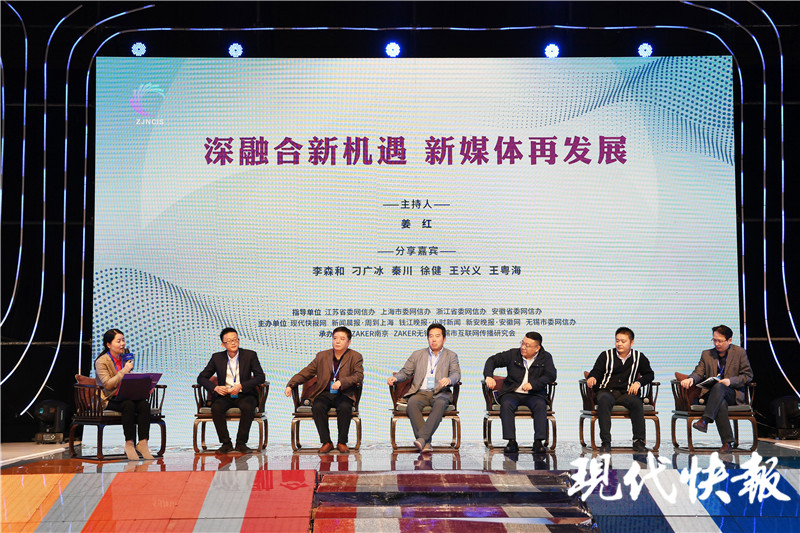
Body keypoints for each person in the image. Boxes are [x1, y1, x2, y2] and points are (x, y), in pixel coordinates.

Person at [285, 327, 364, 454]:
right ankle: (326, 442)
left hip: (344, 393)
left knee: (345, 407)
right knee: (317, 406)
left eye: (342, 339)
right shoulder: (322, 356)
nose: (337, 341)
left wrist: (341, 382)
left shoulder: (355, 356)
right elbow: (306, 372)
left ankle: (342, 442)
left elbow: (358, 376)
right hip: (325, 393)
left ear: (349, 342)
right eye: (335, 338)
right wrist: (291, 384)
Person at [387, 323, 461, 452]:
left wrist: (449, 380)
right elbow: (405, 372)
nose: (434, 339)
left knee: (440, 404)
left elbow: (456, 374)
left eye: (437, 336)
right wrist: (396, 378)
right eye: (431, 336)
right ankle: (425, 442)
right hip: (420, 392)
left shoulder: (451, 355)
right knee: (412, 403)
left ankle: (422, 439)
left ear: (444, 339)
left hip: (441, 392)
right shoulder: (417, 354)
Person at [680, 325, 753, 453]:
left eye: (720, 341)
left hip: (732, 393)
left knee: (721, 387)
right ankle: (727, 443)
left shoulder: (739, 352)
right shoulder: (707, 354)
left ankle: (705, 420)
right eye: (714, 340)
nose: (716, 343)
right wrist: (691, 379)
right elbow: (698, 372)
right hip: (712, 395)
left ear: (729, 340)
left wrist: (730, 381)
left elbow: (747, 376)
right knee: (720, 401)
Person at [483, 331, 557, 454]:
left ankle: (538, 442)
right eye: (522, 343)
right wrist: (488, 376)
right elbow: (492, 360)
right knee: (506, 404)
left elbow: (551, 375)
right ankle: (511, 441)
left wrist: (533, 385)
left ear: (537, 348)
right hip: (512, 392)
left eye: (527, 345)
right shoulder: (513, 354)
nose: (523, 347)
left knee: (540, 405)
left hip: (535, 394)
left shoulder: (546, 357)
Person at [586, 327, 654, 453]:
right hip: (606, 391)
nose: (619, 344)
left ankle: (638, 441)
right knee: (603, 400)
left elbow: (649, 374)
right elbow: (596, 371)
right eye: (617, 341)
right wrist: (592, 377)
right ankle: (606, 442)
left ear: (631, 342)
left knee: (636, 402)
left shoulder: (639, 357)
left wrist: (638, 383)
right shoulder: (606, 355)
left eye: (623, 341)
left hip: (627, 393)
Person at [198, 327, 265, 454]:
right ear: (223, 344)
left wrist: (241, 386)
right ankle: (226, 443)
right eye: (229, 341)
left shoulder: (250, 355)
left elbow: (260, 377)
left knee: (248, 406)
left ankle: (241, 443)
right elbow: (201, 378)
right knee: (216, 408)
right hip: (225, 395)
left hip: (245, 394)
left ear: (239, 341)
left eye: (235, 339)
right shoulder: (217, 358)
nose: (233, 343)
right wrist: (216, 388)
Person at [95, 328, 154, 460]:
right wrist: (124, 370)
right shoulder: (101, 361)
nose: (122, 344)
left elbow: (128, 381)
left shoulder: (125, 359)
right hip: (109, 398)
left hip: (126, 395)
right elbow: (108, 385)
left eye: (123, 340)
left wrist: (145, 387)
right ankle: (129, 443)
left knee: (144, 405)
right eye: (118, 341)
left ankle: (143, 443)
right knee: (129, 405)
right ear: (108, 344)